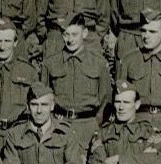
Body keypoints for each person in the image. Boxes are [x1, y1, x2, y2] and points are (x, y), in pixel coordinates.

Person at [40, 12, 112, 152]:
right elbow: (44, 97)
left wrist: (94, 123)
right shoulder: (50, 63)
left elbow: (105, 99)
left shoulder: (98, 63)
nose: (70, 40)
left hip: (88, 128)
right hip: (59, 126)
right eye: (66, 34)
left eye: (74, 34)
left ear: (84, 33)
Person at [114, 7, 161, 128]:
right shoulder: (128, 60)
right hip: (136, 125)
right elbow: (119, 98)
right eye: (143, 31)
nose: (146, 36)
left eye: (152, 32)